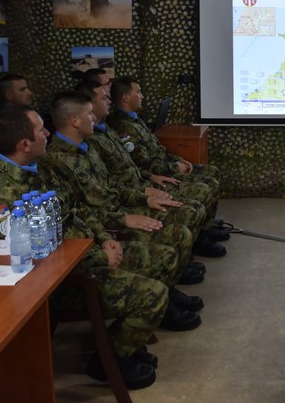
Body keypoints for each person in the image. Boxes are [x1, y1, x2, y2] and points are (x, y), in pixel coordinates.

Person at [0, 106, 177, 390]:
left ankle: (126, 344)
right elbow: (35, 262)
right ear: (24, 144)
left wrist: (104, 239)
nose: (47, 133)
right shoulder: (2, 196)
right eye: (41, 129)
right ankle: (108, 361)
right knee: (153, 295)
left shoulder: (39, 170)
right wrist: (98, 255)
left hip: (88, 253)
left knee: (164, 257)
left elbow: (76, 209)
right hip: (62, 283)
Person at [39, 91, 203, 331]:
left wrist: (143, 196)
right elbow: (81, 209)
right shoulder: (56, 162)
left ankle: (166, 294)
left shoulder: (86, 147)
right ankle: (155, 309)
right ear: (74, 120)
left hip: (115, 214)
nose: (93, 117)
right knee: (177, 234)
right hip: (105, 226)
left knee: (183, 219)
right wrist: (119, 223)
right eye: (88, 114)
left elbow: (109, 187)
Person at [77, 80, 211, 258]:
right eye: (104, 97)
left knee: (203, 190)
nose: (109, 101)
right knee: (193, 206)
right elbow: (96, 198)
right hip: (122, 205)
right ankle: (188, 252)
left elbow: (130, 167)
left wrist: (151, 177)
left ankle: (197, 242)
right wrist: (144, 193)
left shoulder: (104, 131)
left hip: (136, 188)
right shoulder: (93, 141)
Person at [107, 76, 226, 256]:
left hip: (162, 167)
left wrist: (178, 160)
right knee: (204, 188)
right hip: (153, 176)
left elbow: (158, 150)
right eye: (138, 92)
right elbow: (144, 163)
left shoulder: (135, 120)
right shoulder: (122, 125)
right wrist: (174, 168)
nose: (142, 96)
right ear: (125, 97)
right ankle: (199, 239)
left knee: (212, 173)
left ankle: (204, 228)